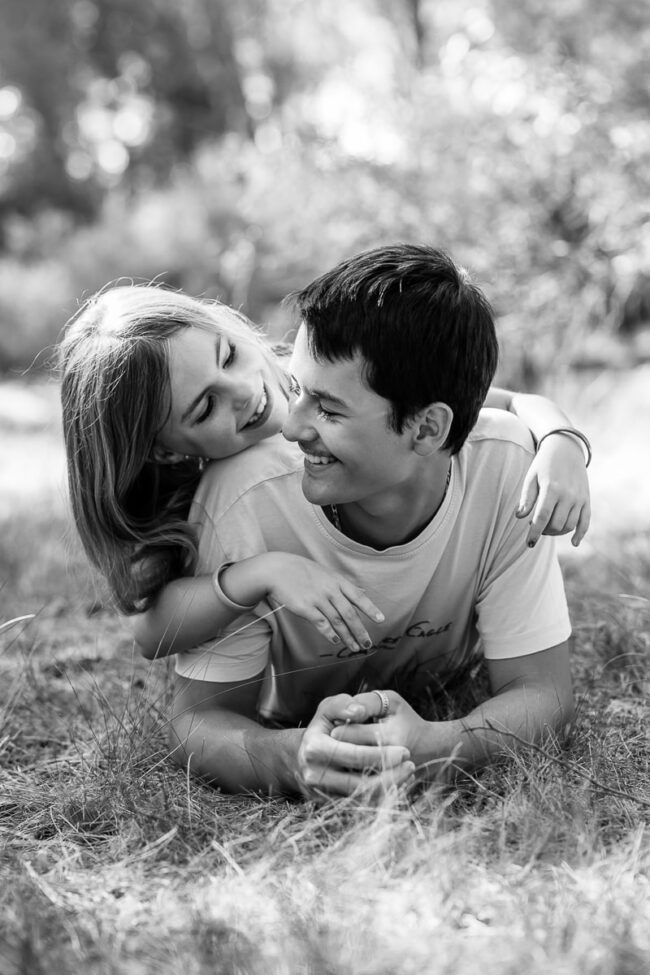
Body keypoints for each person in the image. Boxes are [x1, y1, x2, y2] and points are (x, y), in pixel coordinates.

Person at [132, 244, 588, 798]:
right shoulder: (241, 496)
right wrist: (287, 757)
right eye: (296, 389)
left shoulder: (510, 467)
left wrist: (440, 746)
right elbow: (197, 721)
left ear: (426, 431)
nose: (291, 426)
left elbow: (545, 693)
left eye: (327, 408)